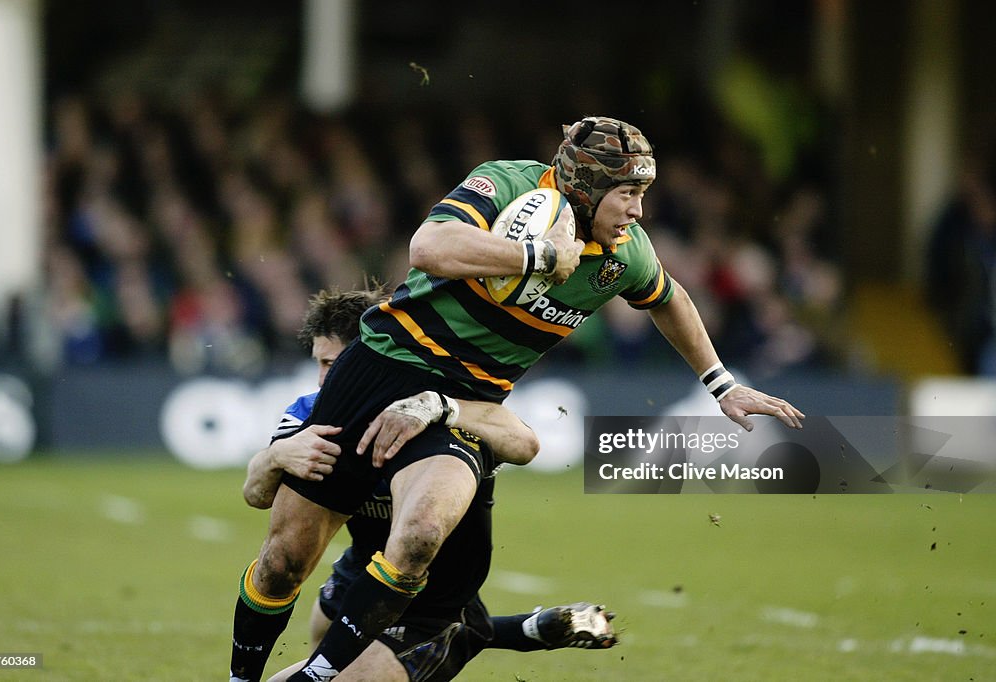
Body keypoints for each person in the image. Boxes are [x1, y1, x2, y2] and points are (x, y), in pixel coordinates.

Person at [231, 116, 805, 681]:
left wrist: (721, 385)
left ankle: (317, 678)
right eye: (628, 194)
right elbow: (427, 246)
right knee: (284, 563)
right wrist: (536, 258)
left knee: (423, 532)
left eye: (642, 194)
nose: (638, 211)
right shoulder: (508, 184)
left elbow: (668, 296)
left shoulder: (625, 254)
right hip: (382, 367)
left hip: (463, 405)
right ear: (586, 187)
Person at [232, 286, 617, 682]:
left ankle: (490, 632)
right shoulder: (309, 413)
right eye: (319, 363)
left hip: (433, 605)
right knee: (320, 631)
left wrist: (443, 407)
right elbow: (255, 496)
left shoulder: (437, 408)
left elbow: (526, 443)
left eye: (333, 364)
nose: (323, 378)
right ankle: (524, 629)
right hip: (359, 575)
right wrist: (274, 457)